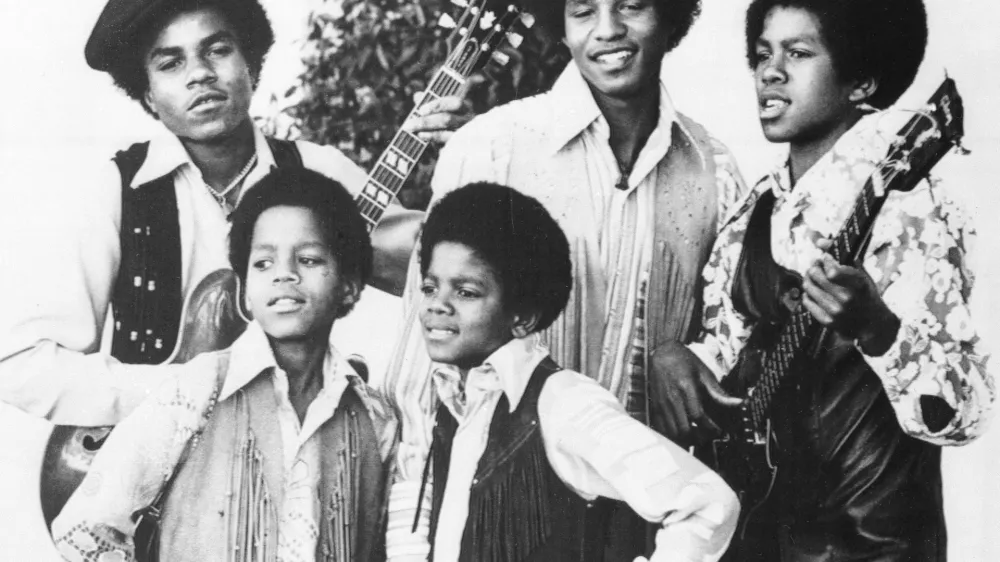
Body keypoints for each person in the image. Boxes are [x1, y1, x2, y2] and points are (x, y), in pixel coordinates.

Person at [381, 0, 747, 556]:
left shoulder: (714, 172)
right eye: (583, 9)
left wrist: (693, 352)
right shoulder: (492, 147)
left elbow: (731, 339)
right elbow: (417, 387)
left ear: (673, 15)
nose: (607, 30)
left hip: (647, 529)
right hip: (502, 523)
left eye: (632, 6)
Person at [0, 0, 470, 428]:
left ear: (251, 65)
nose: (199, 74)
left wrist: (466, 159)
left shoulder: (317, 170)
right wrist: (181, 393)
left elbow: (436, 269)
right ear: (146, 95)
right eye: (170, 63)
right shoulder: (116, 190)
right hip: (159, 467)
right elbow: (22, 364)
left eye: (218, 50)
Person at [656, 0, 994, 559]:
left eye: (799, 52)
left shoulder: (909, 204)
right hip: (761, 533)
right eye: (763, 54)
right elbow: (725, 362)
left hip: (877, 540)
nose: (770, 71)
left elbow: (966, 412)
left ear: (862, 81)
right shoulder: (753, 213)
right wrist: (676, 358)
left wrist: (879, 330)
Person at [51, 167, 398, 562]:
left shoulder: (377, 418)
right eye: (263, 264)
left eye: (308, 258)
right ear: (246, 293)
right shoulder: (197, 390)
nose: (285, 273)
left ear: (349, 286)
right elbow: (86, 529)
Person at [411, 182, 738, 562]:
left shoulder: (562, 401)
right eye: (431, 287)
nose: (438, 305)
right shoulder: (456, 400)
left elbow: (708, 503)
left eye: (466, 292)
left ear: (523, 317)